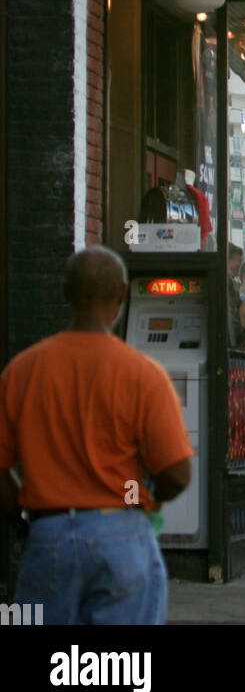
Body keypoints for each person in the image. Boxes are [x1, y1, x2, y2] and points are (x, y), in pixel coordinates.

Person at [0, 247, 192, 625]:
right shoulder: (143, 374)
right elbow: (177, 474)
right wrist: (142, 500)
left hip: (48, 535)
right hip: (121, 534)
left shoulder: (21, 371)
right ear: (122, 295)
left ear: (64, 293)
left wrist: (25, 518)